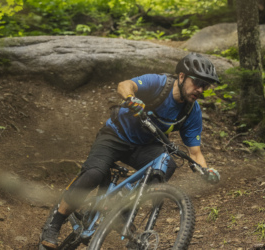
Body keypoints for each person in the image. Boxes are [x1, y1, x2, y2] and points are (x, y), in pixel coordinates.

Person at [40, 52, 221, 249]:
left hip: (145, 146)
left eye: (205, 85)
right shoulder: (160, 84)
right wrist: (130, 98)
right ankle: (55, 223)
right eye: (197, 82)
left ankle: (123, 211)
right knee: (94, 173)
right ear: (181, 76)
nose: (200, 89)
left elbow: (195, 153)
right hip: (115, 135)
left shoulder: (191, 111)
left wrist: (205, 169)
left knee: (167, 164)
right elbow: (125, 85)